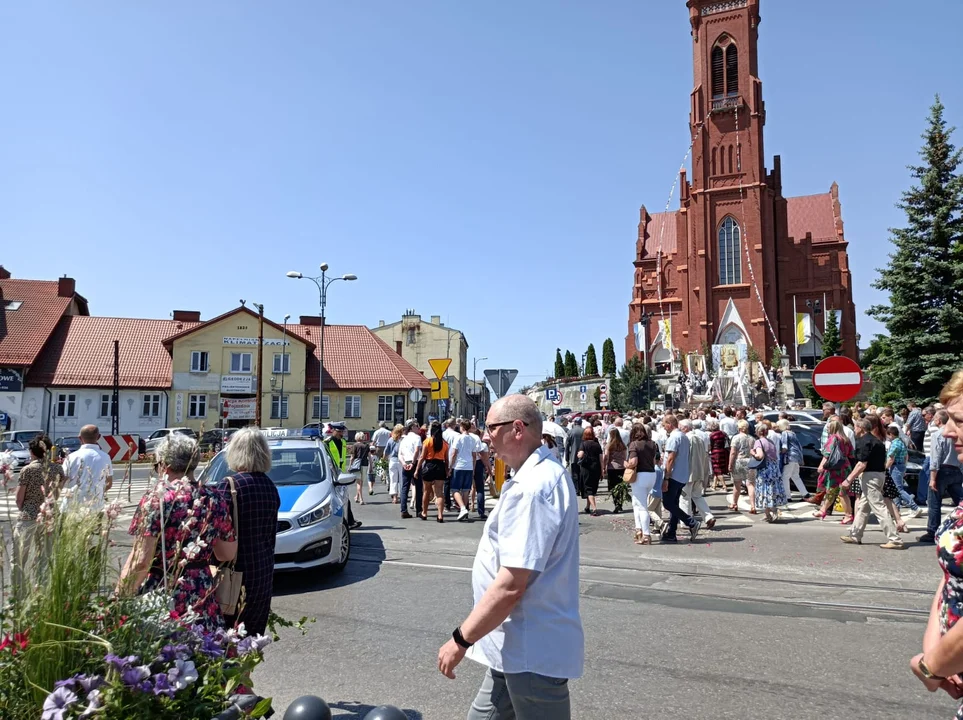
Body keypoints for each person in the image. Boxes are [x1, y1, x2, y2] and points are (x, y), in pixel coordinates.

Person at [437, 395, 582, 719]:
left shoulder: (532, 488)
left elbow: (511, 585)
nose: (485, 436)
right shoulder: (538, 474)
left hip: (531, 651)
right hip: (514, 645)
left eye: (490, 428)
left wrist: (460, 640)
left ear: (517, 429)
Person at [118, 435, 236, 629]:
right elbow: (227, 553)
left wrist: (121, 595)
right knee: (203, 650)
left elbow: (141, 560)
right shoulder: (214, 498)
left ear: (165, 464)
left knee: (162, 650)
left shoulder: (156, 500)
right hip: (201, 590)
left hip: (162, 589)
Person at [218, 427, 281, 636]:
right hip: (263, 572)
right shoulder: (270, 486)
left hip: (235, 576)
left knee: (227, 639)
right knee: (251, 640)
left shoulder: (230, 486)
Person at [13, 435, 65, 598]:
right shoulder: (57, 469)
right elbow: (57, 493)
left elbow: (19, 497)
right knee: (45, 556)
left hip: (29, 515)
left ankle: (19, 593)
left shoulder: (28, 469)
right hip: (49, 515)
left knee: (20, 557)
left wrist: (25, 508)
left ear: (32, 452)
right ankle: (41, 591)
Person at [841, 419, 904, 549]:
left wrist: (849, 479)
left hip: (870, 477)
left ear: (861, 428)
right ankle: (855, 535)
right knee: (863, 507)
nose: (854, 429)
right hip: (880, 475)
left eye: (856, 427)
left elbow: (861, 463)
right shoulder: (878, 441)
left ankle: (895, 539)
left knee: (879, 507)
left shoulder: (864, 442)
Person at [920, 410, 963, 545]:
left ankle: (932, 531)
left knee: (934, 502)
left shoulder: (938, 434)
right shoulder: (954, 434)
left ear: (938, 421)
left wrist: (933, 477)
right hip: (955, 469)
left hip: (942, 470)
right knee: (960, 501)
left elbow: (935, 457)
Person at [661, 414, 701, 542]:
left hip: (674, 475)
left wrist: (666, 477)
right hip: (682, 475)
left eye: (664, 425)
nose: (663, 427)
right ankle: (672, 532)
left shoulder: (674, 437)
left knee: (668, 503)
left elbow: (671, 458)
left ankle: (691, 522)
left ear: (669, 424)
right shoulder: (683, 437)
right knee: (674, 504)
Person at [63, 424, 113, 510]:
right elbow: (109, 483)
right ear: (99, 437)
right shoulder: (105, 457)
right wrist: (97, 492)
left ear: (79, 437)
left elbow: (63, 480)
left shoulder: (71, 457)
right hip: (95, 506)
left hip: (72, 506)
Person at [814, 419, 855, 522]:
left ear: (833, 428)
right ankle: (823, 510)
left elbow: (827, 454)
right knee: (834, 491)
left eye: (828, 428)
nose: (827, 430)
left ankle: (848, 515)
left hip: (834, 468)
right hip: (845, 467)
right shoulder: (845, 439)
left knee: (840, 492)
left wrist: (821, 466)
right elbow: (851, 454)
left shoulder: (833, 438)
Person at [627, 423, 658, 545]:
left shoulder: (634, 444)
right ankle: (638, 529)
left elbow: (633, 462)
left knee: (642, 506)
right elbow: (654, 460)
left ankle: (646, 534)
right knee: (636, 502)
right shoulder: (652, 444)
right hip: (651, 474)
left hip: (640, 475)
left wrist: (627, 465)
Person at [751, 421, 785, 523]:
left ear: (758, 432)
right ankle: (770, 512)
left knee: (764, 490)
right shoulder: (770, 442)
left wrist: (753, 452)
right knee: (772, 490)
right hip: (773, 468)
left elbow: (760, 456)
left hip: (765, 469)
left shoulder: (758, 442)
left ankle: (770, 512)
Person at [416, 421, 450, 522]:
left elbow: (422, 457)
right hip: (440, 466)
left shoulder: (427, 441)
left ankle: (424, 513)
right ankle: (440, 515)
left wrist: (417, 469)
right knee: (439, 492)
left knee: (426, 491)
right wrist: (447, 470)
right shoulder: (445, 443)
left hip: (429, 465)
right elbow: (447, 459)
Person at [886, 425, 921, 517]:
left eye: (888, 435)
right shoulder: (901, 442)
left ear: (891, 434)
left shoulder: (895, 444)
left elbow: (891, 458)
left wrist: (885, 468)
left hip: (896, 467)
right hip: (901, 466)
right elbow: (906, 456)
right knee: (896, 488)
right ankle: (896, 509)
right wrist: (904, 467)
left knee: (898, 489)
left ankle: (915, 507)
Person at [450, 420, 478, 522]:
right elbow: (474, 456)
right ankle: (464, 509)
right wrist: (473, 468)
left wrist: (450, 466)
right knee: (466, 490)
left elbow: (454, 453)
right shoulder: (472, 439)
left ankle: (462, 508)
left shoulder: (458, 438)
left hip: (459, 466)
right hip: (469, 466)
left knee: (455, 489)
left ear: (462, 427)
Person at [776, 419, 808, 499]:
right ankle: (805, 493)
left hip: (789, 456)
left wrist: (780, 453)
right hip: (796, 456)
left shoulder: (784, 433)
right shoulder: (793, 433)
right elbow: (799, 446)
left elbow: (785, 447)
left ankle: (787, 496)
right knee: (795, 476)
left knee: (785, 477)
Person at [398, 421, 423, 519]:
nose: (419, 428)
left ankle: (403, 510)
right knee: (418, 486)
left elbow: (400, 454)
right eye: (417, 426)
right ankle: (419, 510)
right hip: (414, 462)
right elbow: (417, 450)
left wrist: (404, 463)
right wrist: (413, 463)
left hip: (406, 462)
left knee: (405, 487)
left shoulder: (404, 439)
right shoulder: (417, 438)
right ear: (412, 427)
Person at [577, 426, 602, 516]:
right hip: (596, 467)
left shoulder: (583, 444)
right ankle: (588, 507)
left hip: (586, 468)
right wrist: (602, 470)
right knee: (592, 487)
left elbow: (580, 455)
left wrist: (578, 454)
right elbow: (601, 458)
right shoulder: (597, 444)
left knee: (588, 488)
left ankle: (594, 508)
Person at [728, 420, 753, 512]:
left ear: (739, 428)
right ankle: (753, 505)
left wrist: (730, 464)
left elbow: (733, 452)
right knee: (750, 484)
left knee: (737, 484)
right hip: (750, 461)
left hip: (739, 461)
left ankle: (734, 503)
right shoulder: (752, 438)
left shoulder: (736, 438)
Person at [601, 428, 627, 513]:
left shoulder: (609, 445)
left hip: (612, 468)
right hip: (622, 467)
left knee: (613, 487)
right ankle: (620, 504)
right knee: (620, 486)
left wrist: (604, 467)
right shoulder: (623, 445)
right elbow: (625, 456)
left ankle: (616, 503)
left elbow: (606, 457)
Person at [471, 428, 490, 519]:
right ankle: (481, 511)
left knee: (466, 488)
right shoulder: (483, 445)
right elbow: (486, 459)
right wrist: (489, 469)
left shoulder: (468, 442)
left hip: (467, 464)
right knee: (480, 488)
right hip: (478, 465)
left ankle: (465, 507)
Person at [708, 419, 730, 491]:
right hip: (723, 452)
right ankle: (714, 485)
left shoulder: (711, 435)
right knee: (717, 469)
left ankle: (724, 486)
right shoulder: (724, 433)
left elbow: (710, 445)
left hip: (715, 452)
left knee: (717, 469)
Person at [564, 418, 584, 497]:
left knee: (575, 473)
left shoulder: (570, 432)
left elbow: (567, 446)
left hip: (573, 455)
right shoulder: (584, 431)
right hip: (583, 455)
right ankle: (582, 489)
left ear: (575, 423)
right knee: (582, 473)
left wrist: (567, 458)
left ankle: (576, 490)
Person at [384, 424, 404, 504]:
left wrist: (384, 459)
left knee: (393, 479)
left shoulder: (390, 440)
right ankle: (402, 496)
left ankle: (395, 497)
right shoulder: (402, 440)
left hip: (392, 460)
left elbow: (386, 451)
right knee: (402, 479)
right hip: (401, 461)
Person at [350, 431, 371, 504]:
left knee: (358, 483)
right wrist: (371, 466)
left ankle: (361, 499)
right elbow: (369, 457)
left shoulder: (355, 445)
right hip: (364, 464)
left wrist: (350, 465)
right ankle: (357, 496)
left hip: (357, 465)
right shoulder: (366, 446)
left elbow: (352, 457)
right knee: (361, 482)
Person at [372, 421, 392, 485]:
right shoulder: (389, 432)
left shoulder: (377, 432)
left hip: (379, 448)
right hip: (387, 447)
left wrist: (372, 447)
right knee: (385, 462)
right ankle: (385, 474)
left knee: (379, 461)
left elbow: (374, 441)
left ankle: (381, 474)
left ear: (379, 425)